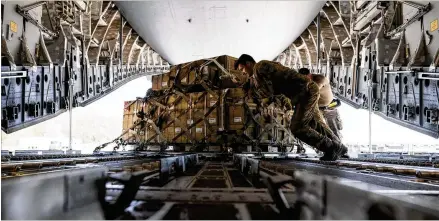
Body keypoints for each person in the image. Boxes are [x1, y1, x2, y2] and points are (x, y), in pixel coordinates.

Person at [234, 54, 347, 161]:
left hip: (304, 92)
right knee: (316, 123)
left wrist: (256, 92)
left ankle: (331, 148)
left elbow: (270, 90)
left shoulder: (259, 67)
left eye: (242, 69)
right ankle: (340, 147)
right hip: (306, 91)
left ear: (248, 63)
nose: (242, 72)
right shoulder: (259, 71)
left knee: (298, 128)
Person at [298, 68, 343, 140]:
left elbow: (315, 90)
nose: (304, 80)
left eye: (305, 78)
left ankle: (339, 145)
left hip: (329, 107)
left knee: (334, 130)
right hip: (318, 108)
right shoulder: (304, 82)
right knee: (318, 128)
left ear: (309, 75)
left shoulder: (320, 79)